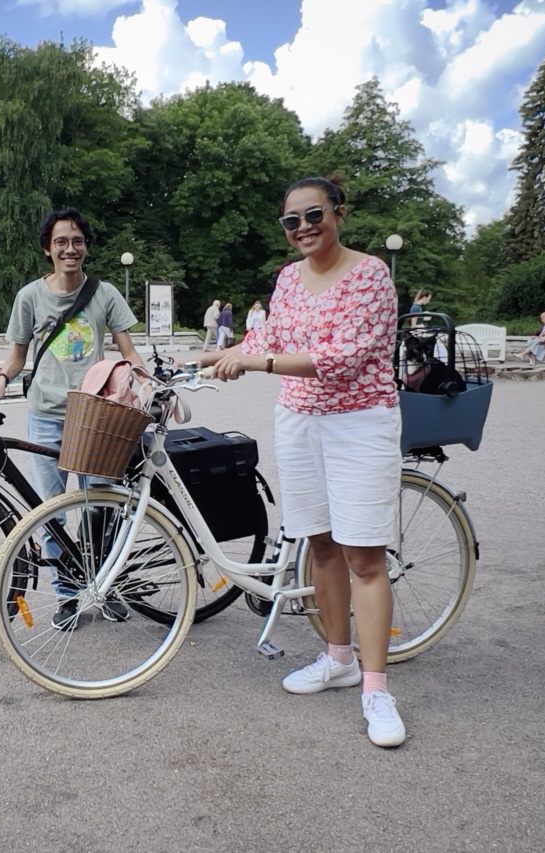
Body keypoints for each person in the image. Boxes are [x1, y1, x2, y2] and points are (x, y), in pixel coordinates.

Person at [200, 175, 407, 748]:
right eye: (291, 221)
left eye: (313, 215)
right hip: (298, 420)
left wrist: (256, 361)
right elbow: (274, 332)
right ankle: (338, 657)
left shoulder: (370, 274)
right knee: (319, 543)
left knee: (363, 554)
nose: (303, 228)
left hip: (358, 421)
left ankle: (375, 687)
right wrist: (229, 352)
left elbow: (341, 358)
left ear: (338, 213)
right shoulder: (288, 279)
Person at [0, 207, 146, 630]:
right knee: (51, 511)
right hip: (45, 416)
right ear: (47, 249)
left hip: (94, 417)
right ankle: (67, 595)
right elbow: (18, 355)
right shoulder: (30, 297)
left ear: (85, 247)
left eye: (76, 241)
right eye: (61, 242)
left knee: (101, 509)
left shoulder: (105, 293)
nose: (69, 249)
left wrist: (146, 383)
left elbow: (128, 352)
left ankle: (104, 587)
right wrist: (0, 381)